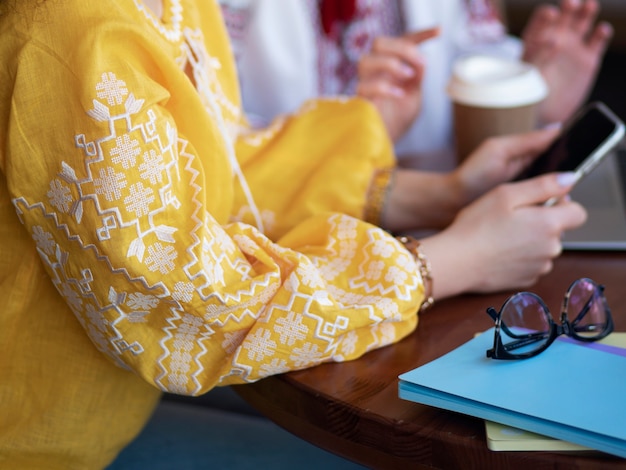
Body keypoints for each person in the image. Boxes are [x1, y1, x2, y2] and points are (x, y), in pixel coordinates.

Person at [0, 0, 586, 468]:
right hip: (43, 447)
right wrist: (447, 261)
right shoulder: (74, 31)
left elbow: (224, 175)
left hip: (129, 404)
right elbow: (185, 305)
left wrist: (443, 194)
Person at [219, 0, 613, 170]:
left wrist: (526, 96)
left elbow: (476, 64)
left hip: (440, 222)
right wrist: (354, 137)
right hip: (288, 244)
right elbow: (217, 139)